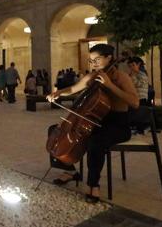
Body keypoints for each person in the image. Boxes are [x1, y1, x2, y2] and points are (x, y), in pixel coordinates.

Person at [47, 44, 139, 203]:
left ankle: (93, 184)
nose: (93, 63)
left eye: (97, 59)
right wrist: (58, 93)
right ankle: (69, 170)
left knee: (95, 142)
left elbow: (135, 102)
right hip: (94, 121)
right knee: (55, 131)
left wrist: (110, 85)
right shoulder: (92, 77)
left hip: (117, 124)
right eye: (91, 60)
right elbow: (74, 88)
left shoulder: (121, 77)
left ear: (109, 58)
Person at [128, 56, 150, 134]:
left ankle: (141, 128)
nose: (131, 68)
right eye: (130, 66)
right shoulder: (133, 74)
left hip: (141, 97)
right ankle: (135, 127)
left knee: (139, 114)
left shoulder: (142, 74)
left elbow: (139, 84)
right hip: (135, 97)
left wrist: (132, 77)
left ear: (139, 64)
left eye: (133, 65)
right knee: (134, 113)